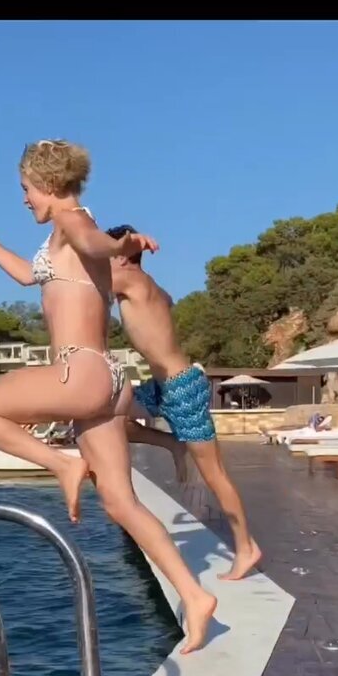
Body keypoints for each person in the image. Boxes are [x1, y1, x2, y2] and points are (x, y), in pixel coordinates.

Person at [0, 139, 216, 653]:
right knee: (121, 502)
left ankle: (63, 466)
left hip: (79, 371)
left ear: (47, 184)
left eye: (25, 188)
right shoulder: (58, 238)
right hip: (108, 381)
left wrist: (122, 243)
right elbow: (26, 274)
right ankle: (195, 596)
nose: (24, 198)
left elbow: (95, 242)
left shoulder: (73, 222)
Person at [105, 224, 262, 582]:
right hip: (161, 387)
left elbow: (84, 278)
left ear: (122, 256)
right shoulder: (147, 284)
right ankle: (171, 444)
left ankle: (246, 547)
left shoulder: (128, 279)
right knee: (109, 414)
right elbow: (165, 301)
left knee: (215, 475)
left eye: (108, 253)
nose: (102, 258)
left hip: (181, 388)